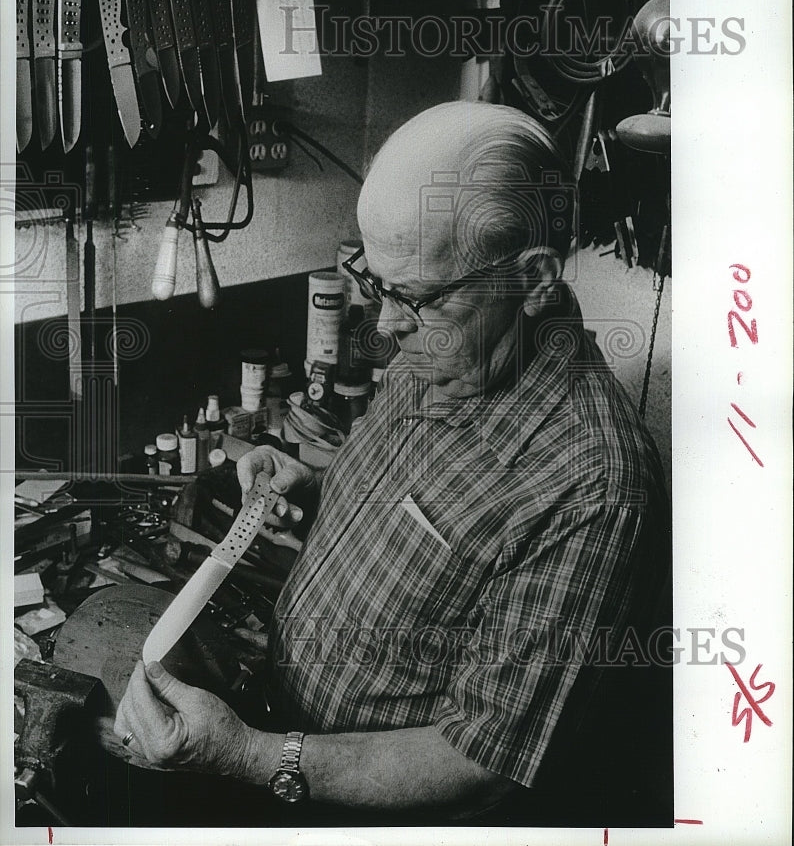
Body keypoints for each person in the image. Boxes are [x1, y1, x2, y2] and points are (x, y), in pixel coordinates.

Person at [115, 102, 671, 826]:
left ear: (532, 280)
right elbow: (415, 507)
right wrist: (313, 486)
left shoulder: (594, 485)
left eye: (412, 296)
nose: (384, 324)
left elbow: (482, 765)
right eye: (375, 284)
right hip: (279, 710)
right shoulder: (442, 345)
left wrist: (249, 755)